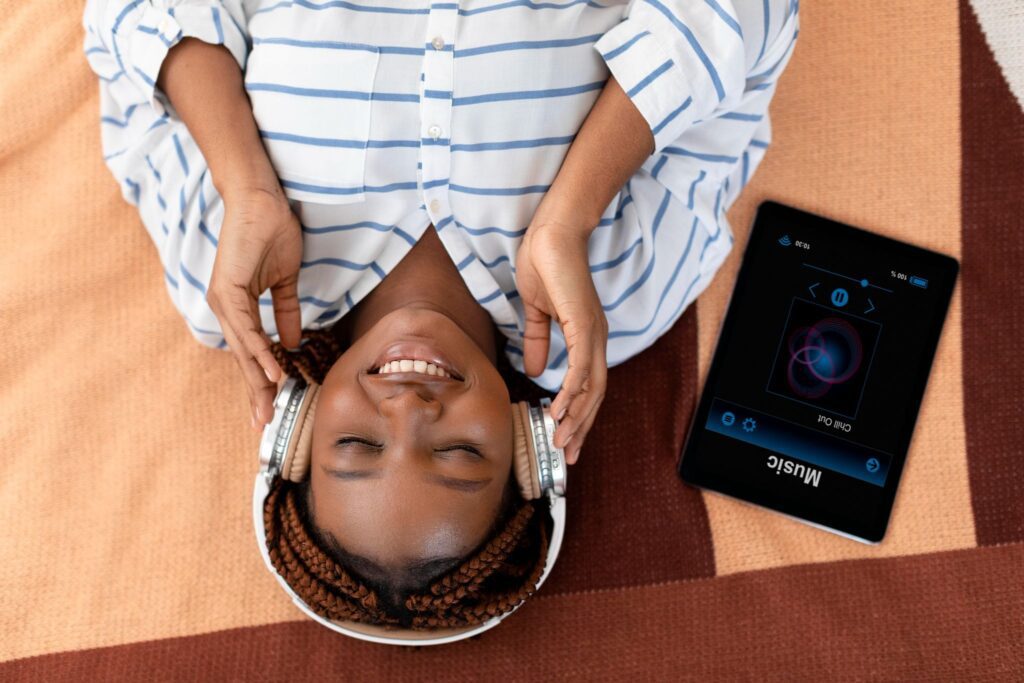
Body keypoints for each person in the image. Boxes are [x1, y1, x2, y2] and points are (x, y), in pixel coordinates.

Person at [82, 0, 799, 629]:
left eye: (357, 447)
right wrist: (570, 214)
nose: (408, 409)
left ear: (294, 432)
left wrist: (244, 181)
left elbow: (124, 18)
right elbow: (754, 18)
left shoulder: (226, 280)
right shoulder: (624, 293)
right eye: (458, 454)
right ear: (529, 447)